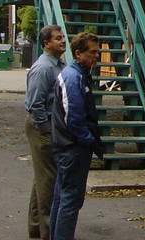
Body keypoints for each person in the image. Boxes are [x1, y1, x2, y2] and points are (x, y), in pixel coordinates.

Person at [49, 32, 104, 240]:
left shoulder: (76, 75)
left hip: (66, 145)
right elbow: (74, 118)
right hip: (72, 148)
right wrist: (89, 141)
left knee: (61, 198)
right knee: (70, 200)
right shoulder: (73, 77)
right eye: (92, 52)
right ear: (78, 54)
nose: (96, 56)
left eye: (98, 52)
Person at [24, 25, 66, 239]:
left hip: (50, 125)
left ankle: (34, 225)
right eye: (57, 38)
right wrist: (47, 129)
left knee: (43, 176)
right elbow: (35, 104)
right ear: (46, 43)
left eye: (63, 37)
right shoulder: (43, 68)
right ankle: (48, 230)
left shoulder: (58, 64)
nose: (63, 41)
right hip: (43, 127)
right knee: (49, 179)